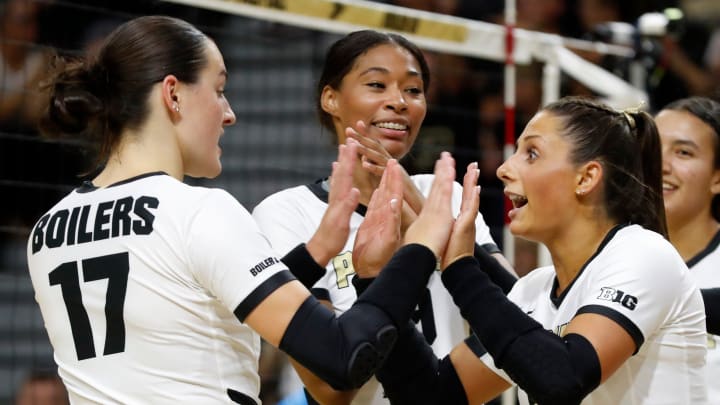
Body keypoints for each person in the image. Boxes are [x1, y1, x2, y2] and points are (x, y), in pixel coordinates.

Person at [26, 15, 471, 404]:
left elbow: (191, 299)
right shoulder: (199, 211)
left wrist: (314, 253)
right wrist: (420, 246)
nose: (229, 113)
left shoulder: (46, 230)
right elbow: (341, 357)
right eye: (219, 90)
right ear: (173, 94)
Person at [365, 96, 708, 404]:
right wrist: (375, 281)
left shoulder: (643, 253)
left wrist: (460, 267)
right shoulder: (534, 291)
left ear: (586, 178)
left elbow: (563, 379)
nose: (503, 169)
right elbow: (431, 396)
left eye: (531, 153)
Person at [251, 29, 516, 405]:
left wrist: (427, 218)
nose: (399, 102)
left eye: (413, 90)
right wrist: (394, 267)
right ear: (331, 99)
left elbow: (520, 312)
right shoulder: (287, 213)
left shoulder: (445, 194)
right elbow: (331, 389)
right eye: (377, 84)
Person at [656, 96, 720, 401]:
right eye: (652, 148)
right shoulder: (607, 255)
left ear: (717, 177)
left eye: (683, 152)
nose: (661, 165)